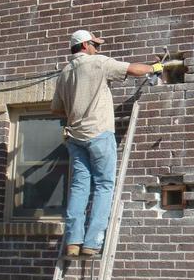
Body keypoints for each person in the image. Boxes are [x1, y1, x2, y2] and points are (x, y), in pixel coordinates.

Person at [51, 29, 162, 256]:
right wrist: (155, 68)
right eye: (95, 44)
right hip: (99, 134)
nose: (98, 49)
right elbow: (132, 69)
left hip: (75, 137)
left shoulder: (64, 73)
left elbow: (55, 109)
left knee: (79, 187)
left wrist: (76, 106)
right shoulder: (97, 63)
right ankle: (92, 242)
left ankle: (73, 241)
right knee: (104, 185)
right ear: (85, 46)